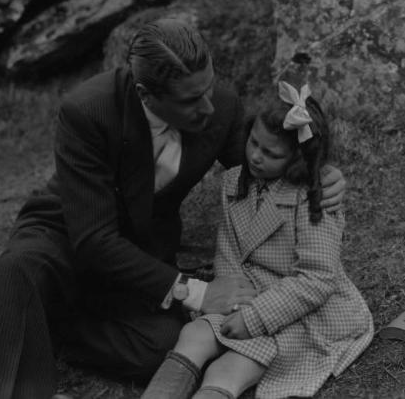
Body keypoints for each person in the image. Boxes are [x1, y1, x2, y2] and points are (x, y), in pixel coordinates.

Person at [0, 19, 347, 399]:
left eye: (208, 88)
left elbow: (256, 172)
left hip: (141, 252)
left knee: (161, 346)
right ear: (146, 95)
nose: (208, 107)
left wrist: (316, 173)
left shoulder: (222, 108)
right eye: (192, 99)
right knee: (20, 268)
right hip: (66, 232)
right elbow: (94, 239)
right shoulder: (88, 110)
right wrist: (195, 290)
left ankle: (38, 324)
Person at [141, 81, 373, 399]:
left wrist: (255, 318)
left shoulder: (312, 197)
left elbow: (318, 279)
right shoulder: (235, 182)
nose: (256, 156)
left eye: (271, 153)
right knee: (194, 334)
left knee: (228, 368)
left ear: (296, 160)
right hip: (246, 294)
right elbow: (229, 251)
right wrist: (233, 302)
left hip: (300, 311)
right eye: (253, 143)